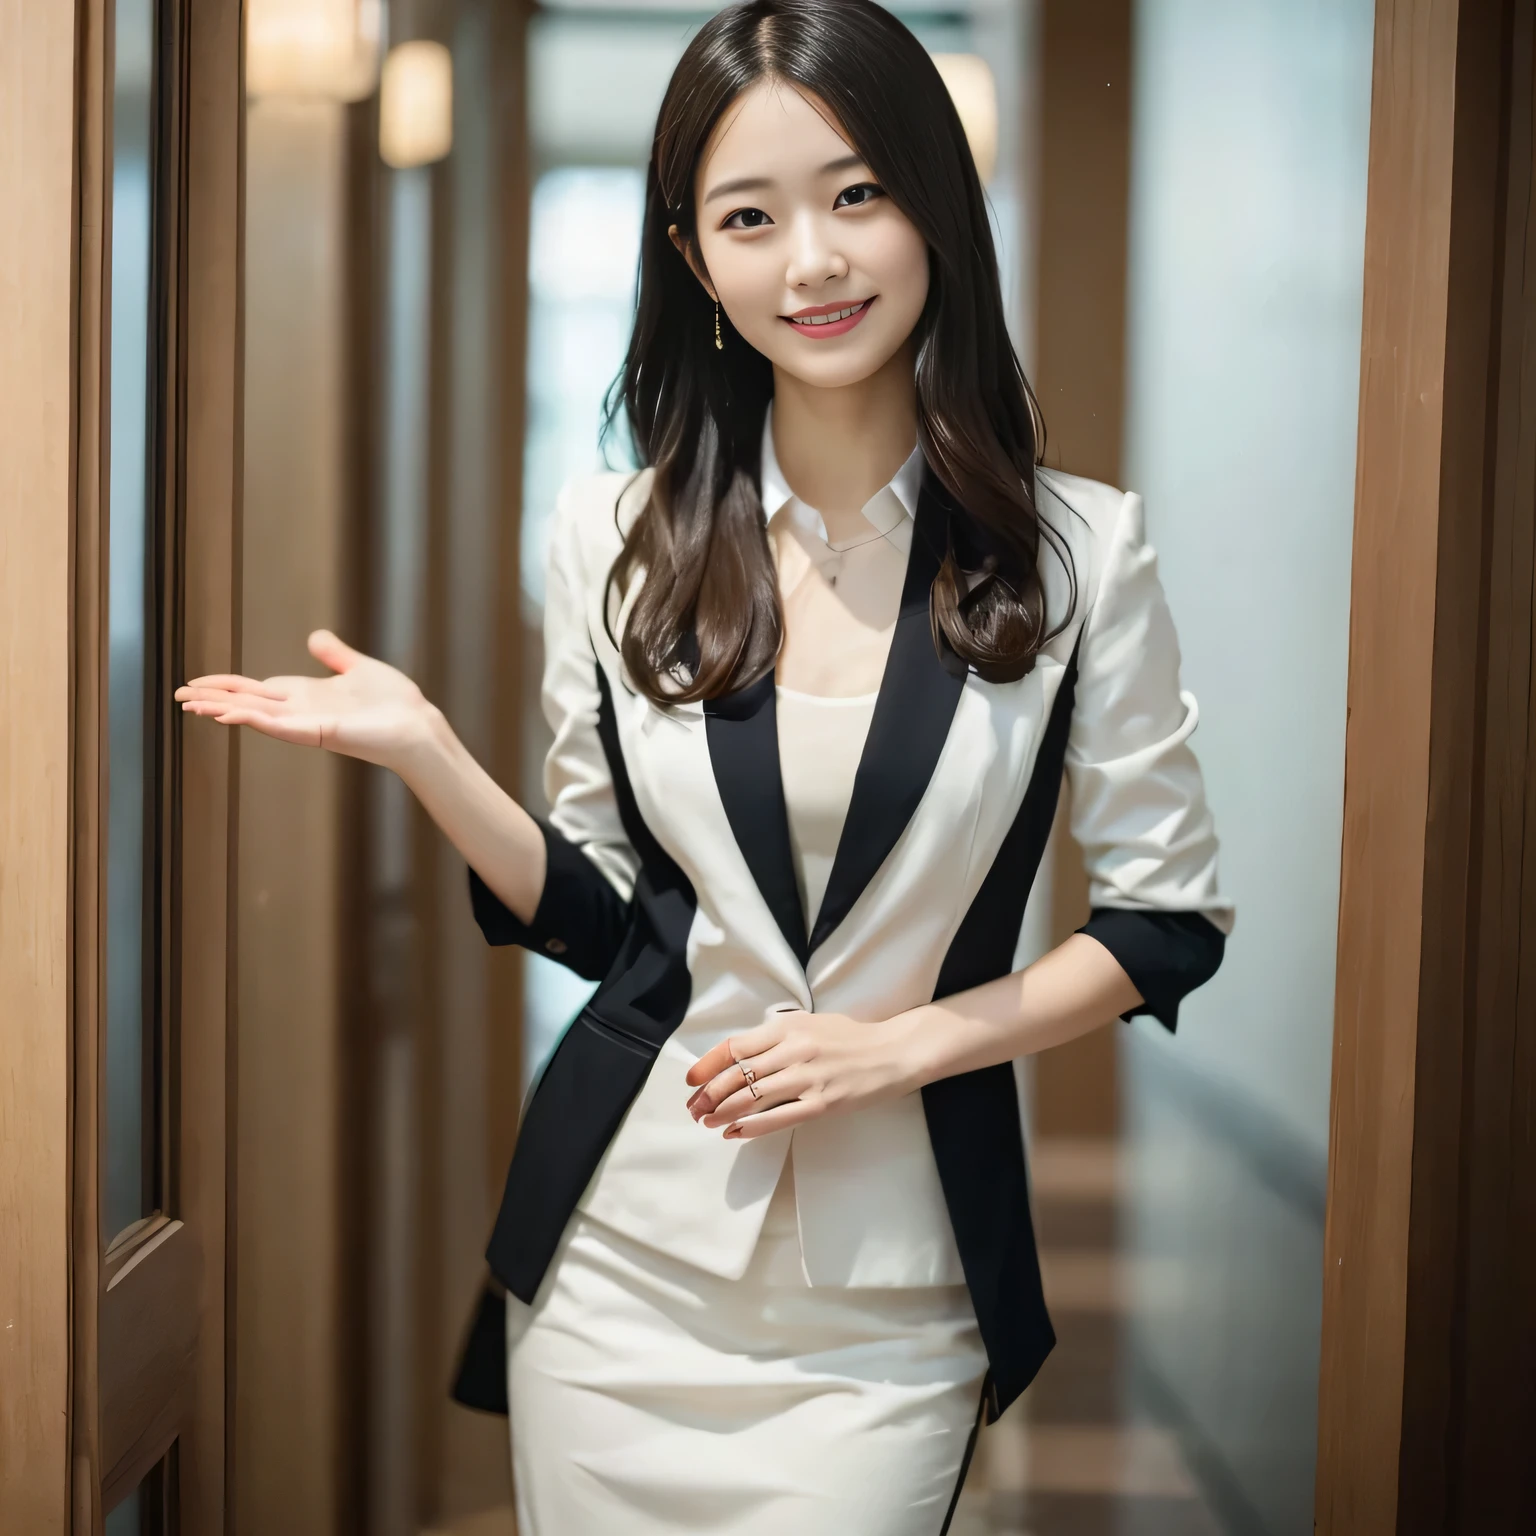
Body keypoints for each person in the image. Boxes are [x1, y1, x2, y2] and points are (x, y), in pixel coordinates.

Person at [178, 2, 1232, 1530]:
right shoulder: (611, 536)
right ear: (695, 257)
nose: (811, 260)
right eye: (752, 216)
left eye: (857, 193)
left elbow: (1163, 921)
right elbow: (606, 921)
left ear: (936, 204)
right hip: (618, 1271)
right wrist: (425, 755)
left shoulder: (1078, 554)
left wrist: (899, 1047)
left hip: (897, 1296)